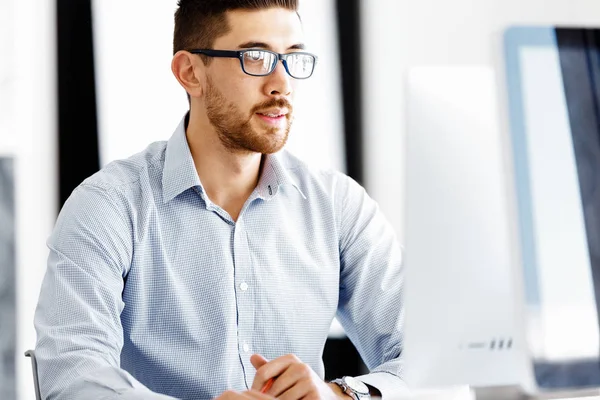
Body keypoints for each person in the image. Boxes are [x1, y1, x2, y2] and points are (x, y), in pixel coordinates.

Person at [33, 0, 405, 399]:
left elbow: (435, 367)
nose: (282, 84)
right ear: (190, 72)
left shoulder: (337, 205)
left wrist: (338, 395)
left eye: (293, 58)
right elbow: (71, 377)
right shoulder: (108, 206)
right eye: (256, 57)